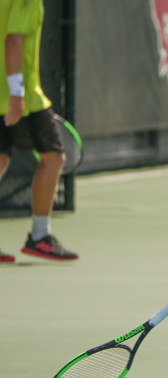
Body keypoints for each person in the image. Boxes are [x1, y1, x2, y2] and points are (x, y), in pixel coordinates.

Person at [0, 0, 78, 262]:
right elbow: (13, 41)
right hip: (24, 97)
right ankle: (40, 236)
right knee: (53, 158)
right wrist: (17, 93)